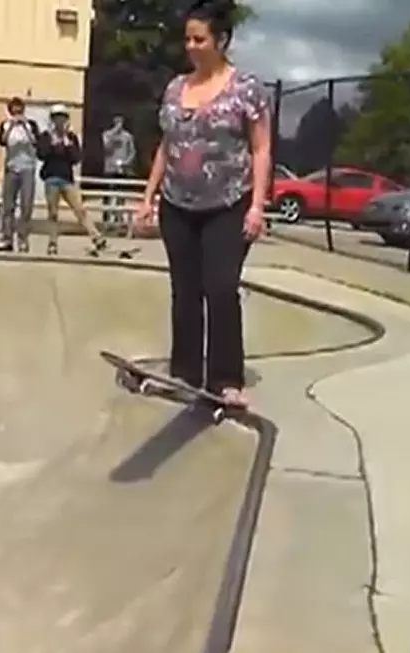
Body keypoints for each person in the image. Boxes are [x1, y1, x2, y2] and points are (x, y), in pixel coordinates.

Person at [133, 0, 270, 407]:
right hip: (178, 204)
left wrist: (257, 206)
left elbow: (261, 149)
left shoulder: (247, 88)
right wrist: (147, 197)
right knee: (185, 290)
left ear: (221, 40)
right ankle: (187, 372)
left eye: (200, 38)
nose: (191, 46)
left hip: (229, 203)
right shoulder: (176, 88)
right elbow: (167, 146)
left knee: (221, 286)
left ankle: (227, 378)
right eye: (187, 38)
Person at [36, 104, 107, 256]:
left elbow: (76, 158)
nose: (60, 121)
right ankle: (52, 242)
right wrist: (53, 144)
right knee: (53, 213)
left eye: (62, 118)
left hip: (67, 178)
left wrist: (68, 145)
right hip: (51, 178)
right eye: (57, 118)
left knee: (79, 209)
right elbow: (41, 154)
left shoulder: (71, 137)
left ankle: (96, 236)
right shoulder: (46, 136)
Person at [0, 96, 40, 252]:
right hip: (11, 168)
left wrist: (25, 127)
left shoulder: (31, 125)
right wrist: (11, 127)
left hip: (27, 168)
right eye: (14, 109)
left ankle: (23, 239)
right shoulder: (5, 124)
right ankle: (7, 238)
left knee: (26, 206)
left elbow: (36, 142)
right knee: (8, 206)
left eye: (19, 109)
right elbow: (2, 141)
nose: (17, 112)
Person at [101, 115, 136, 224]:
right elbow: (105, 147)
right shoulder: (107, 134)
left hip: (122, 170)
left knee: (120, 194)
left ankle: (118, 217)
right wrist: (114, 132)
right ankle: (106, 217)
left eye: (120, 121)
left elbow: (132, 152)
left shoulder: (128, 136)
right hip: (110, 169)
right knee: (108, 194)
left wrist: (126, 162)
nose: (119, 123)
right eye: (116, 121)